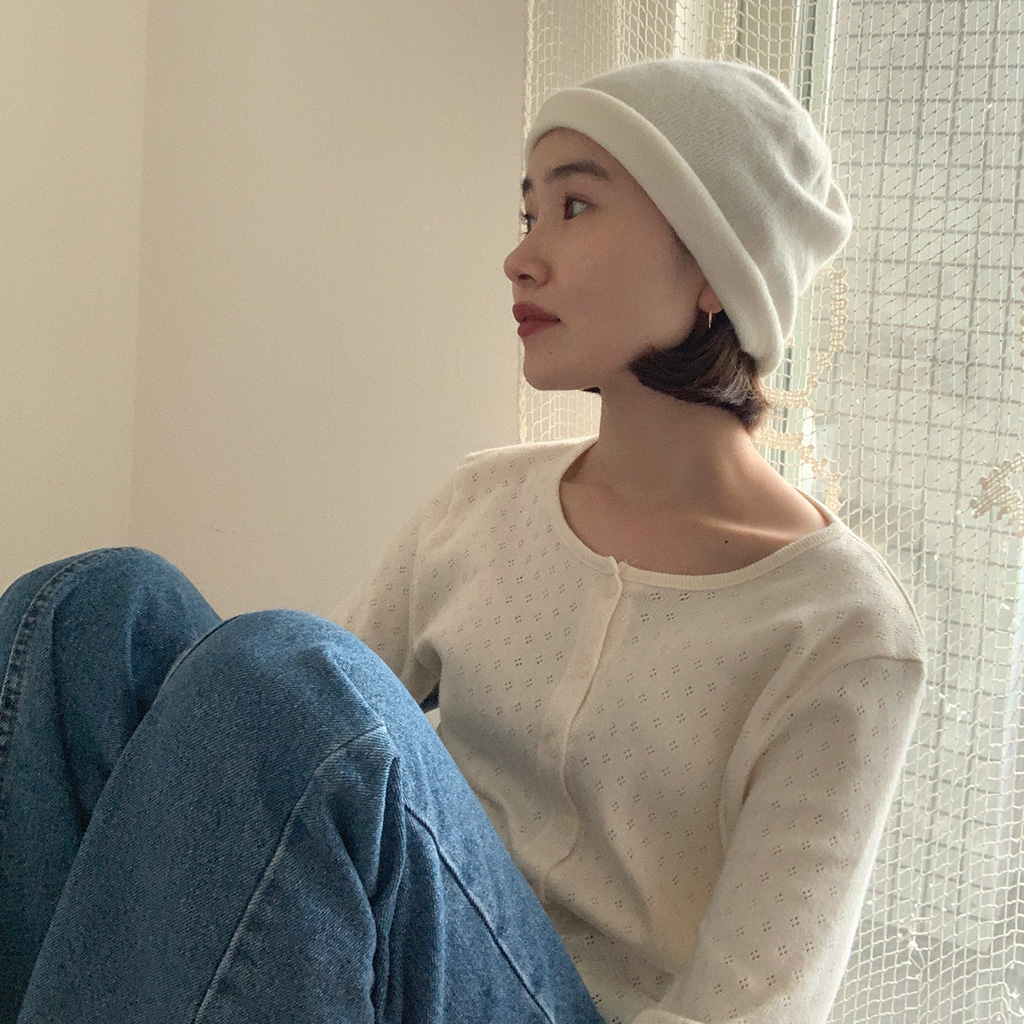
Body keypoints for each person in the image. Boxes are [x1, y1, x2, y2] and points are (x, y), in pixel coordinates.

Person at [0, 59, 924, 1024]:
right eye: (528, 215)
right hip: (403, 965)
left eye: (575, 208)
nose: (521, 259)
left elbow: (755, 1004)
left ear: (711, 266)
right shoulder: (484, 504)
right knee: (91, 611)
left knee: (285, 665)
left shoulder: (840, 627)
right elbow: (305, 736)